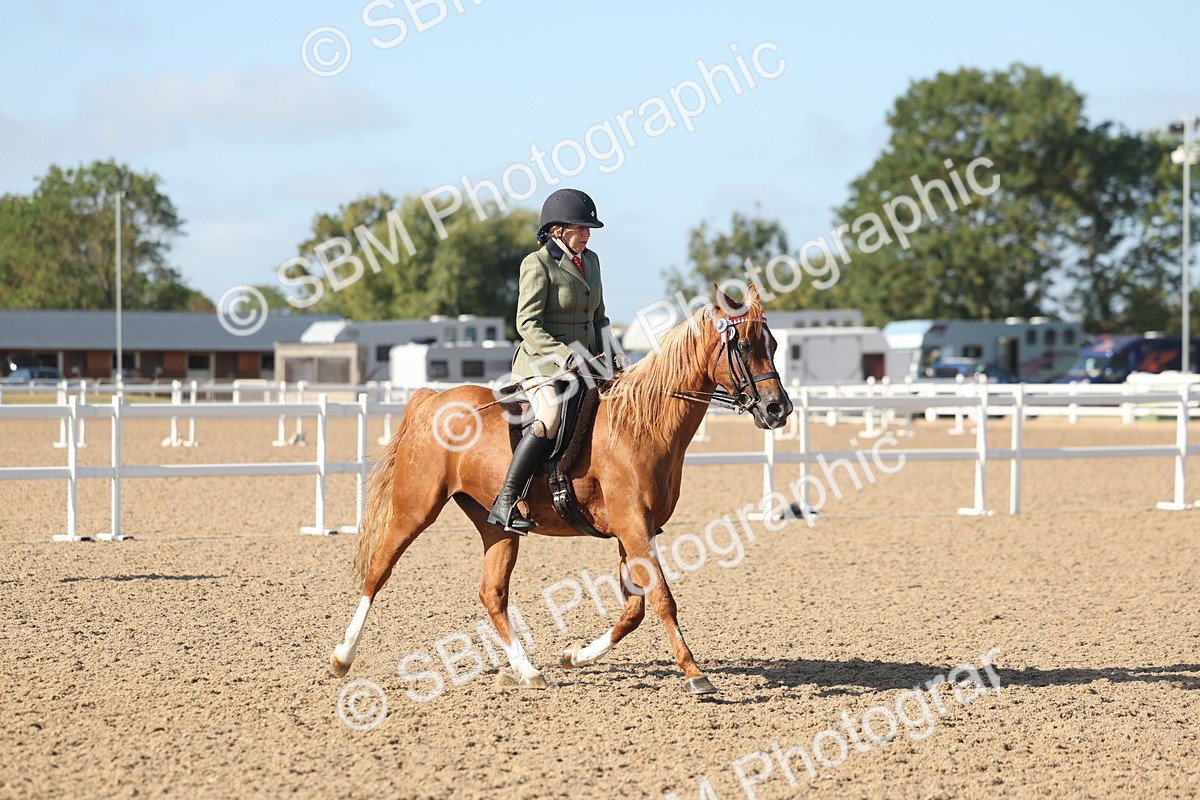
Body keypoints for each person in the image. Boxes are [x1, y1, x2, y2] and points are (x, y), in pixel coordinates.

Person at [487, 188, 620, 532]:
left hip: (591, 359)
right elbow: (527, 324)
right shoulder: (537, 264)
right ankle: (506, 498)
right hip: (542, 363)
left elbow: (600, 317)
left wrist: (615, 355)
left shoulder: (591, 261)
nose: (587, 235)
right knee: (548, 417)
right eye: (581, 228)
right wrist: (566, 355)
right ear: (559, 230)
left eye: (588, 229)